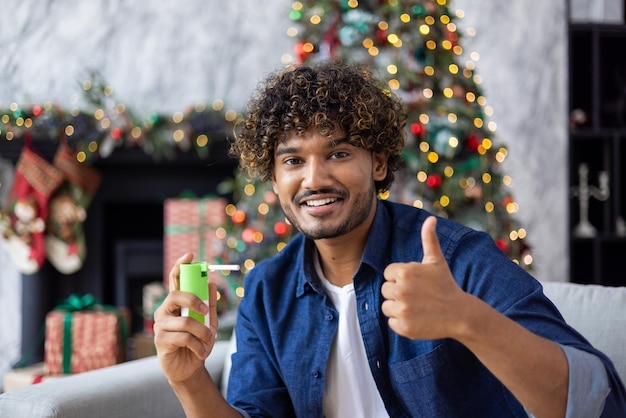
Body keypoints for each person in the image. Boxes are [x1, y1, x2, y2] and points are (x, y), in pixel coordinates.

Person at [154, 61, 626, 418]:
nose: (314, 178)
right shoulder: (267, 292)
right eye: (293, 161)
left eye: (338, 153)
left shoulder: (456, 259)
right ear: (274, 179)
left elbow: (596, 398)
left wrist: (467, 319)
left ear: (378, 164)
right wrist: (190, 380)